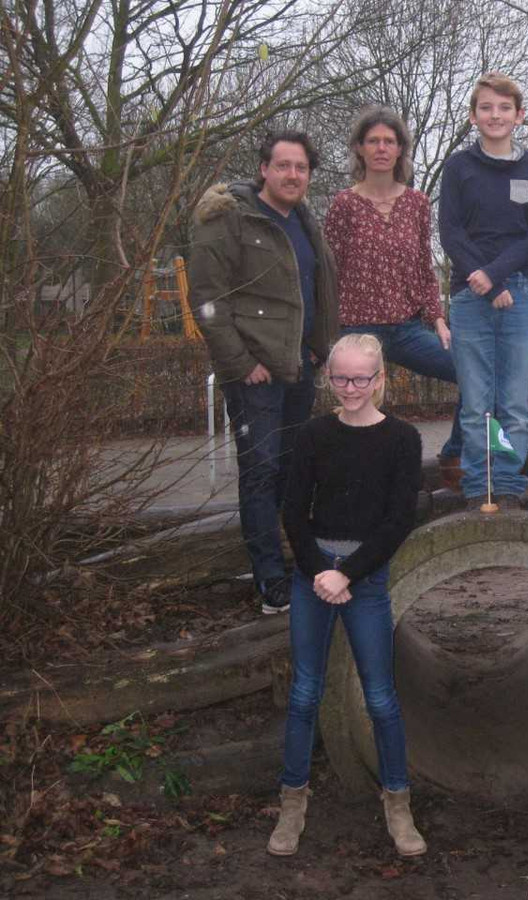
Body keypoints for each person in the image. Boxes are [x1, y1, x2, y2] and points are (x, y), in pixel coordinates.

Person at [271, 333, 425, 858]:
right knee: (304, 694)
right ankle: (292, 799)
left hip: (367, 575)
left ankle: (398, 801)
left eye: (362, 378)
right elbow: (293, 510)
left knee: (381, 696)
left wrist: (350, 575)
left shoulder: (402, 439)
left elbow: (399, 519)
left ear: (381, 379)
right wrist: (319, 573)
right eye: (341, 378)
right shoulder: (315, 434)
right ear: (328, 379)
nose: (351, 387)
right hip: (314, 573)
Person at [191, 131, 338, 614]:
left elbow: (317, 289)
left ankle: (294, 566)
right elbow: (208, 300)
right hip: (255, 372)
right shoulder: (230, 217)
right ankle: (270, 583)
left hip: (298, 368)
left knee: (293, 471)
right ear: (263, 169)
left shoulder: (304, 220)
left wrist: (320, 349)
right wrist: (240, 363)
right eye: (283, 166)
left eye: (301, 168)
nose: (293, 175)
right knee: (262, 471)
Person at [324, 106, 464, 490]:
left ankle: (454, 453)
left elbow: (423, 266)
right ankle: (353, 480)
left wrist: (437, 318)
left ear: (401, 149)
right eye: (373, 141)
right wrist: (325, 334)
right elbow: (328, 272)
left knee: (474, 370)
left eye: (390, 141)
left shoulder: (417, 203)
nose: (382, 148)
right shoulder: (344, 205)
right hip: (356, 327)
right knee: (354, 402)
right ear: (359, 148)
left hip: (406, 328)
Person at [439, 72, 528, 506]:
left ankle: (506, 486)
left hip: (521, 294)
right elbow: (450, 233)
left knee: (514, 403)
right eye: (486, 107)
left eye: (504, 108)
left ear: (519, 115)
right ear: (473, 116)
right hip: (470, 297)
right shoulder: (458, 167)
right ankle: (476, 487)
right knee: (475, 403)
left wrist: (498, 277)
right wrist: (484, 283)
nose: (495, 115)